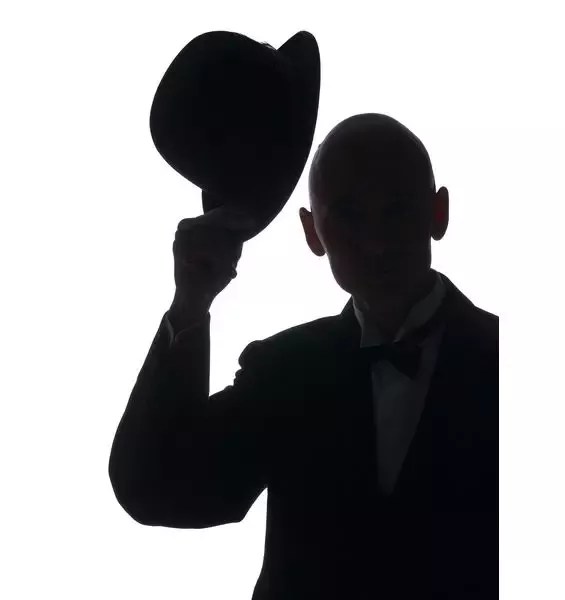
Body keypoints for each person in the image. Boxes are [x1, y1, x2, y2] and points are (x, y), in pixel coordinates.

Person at [108, 112, 498, 600]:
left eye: (397, 209)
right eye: (349, 215)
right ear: (313, 234)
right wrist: (191, 301)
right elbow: (154, 485)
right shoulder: (285, 371)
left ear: (438, 214)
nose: (376, 242)